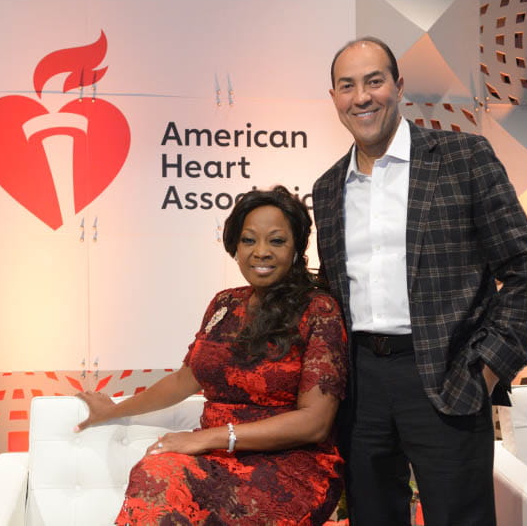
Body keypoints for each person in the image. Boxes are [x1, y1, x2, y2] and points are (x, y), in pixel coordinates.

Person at [312, 37, 527, 525]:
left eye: (374, 81)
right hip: (360, 385)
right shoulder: (328, 187)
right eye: (347, 86)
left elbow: (526, 271)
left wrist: (486, 370)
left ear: (398, 87)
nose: (362, 97)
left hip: (448, 374)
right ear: (333, 97)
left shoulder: (464, 158)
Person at [75, 185, 348, 525]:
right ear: (235, 247)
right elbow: (184, 380)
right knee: (155, 472)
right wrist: (115, 410)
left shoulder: (319, 310)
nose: (261, 252)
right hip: (213, 459)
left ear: (296, 249)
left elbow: (314, 423)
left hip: (288, 467)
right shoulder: (225, 303)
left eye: (277, 241)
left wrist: (208, 437)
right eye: (249, 240)